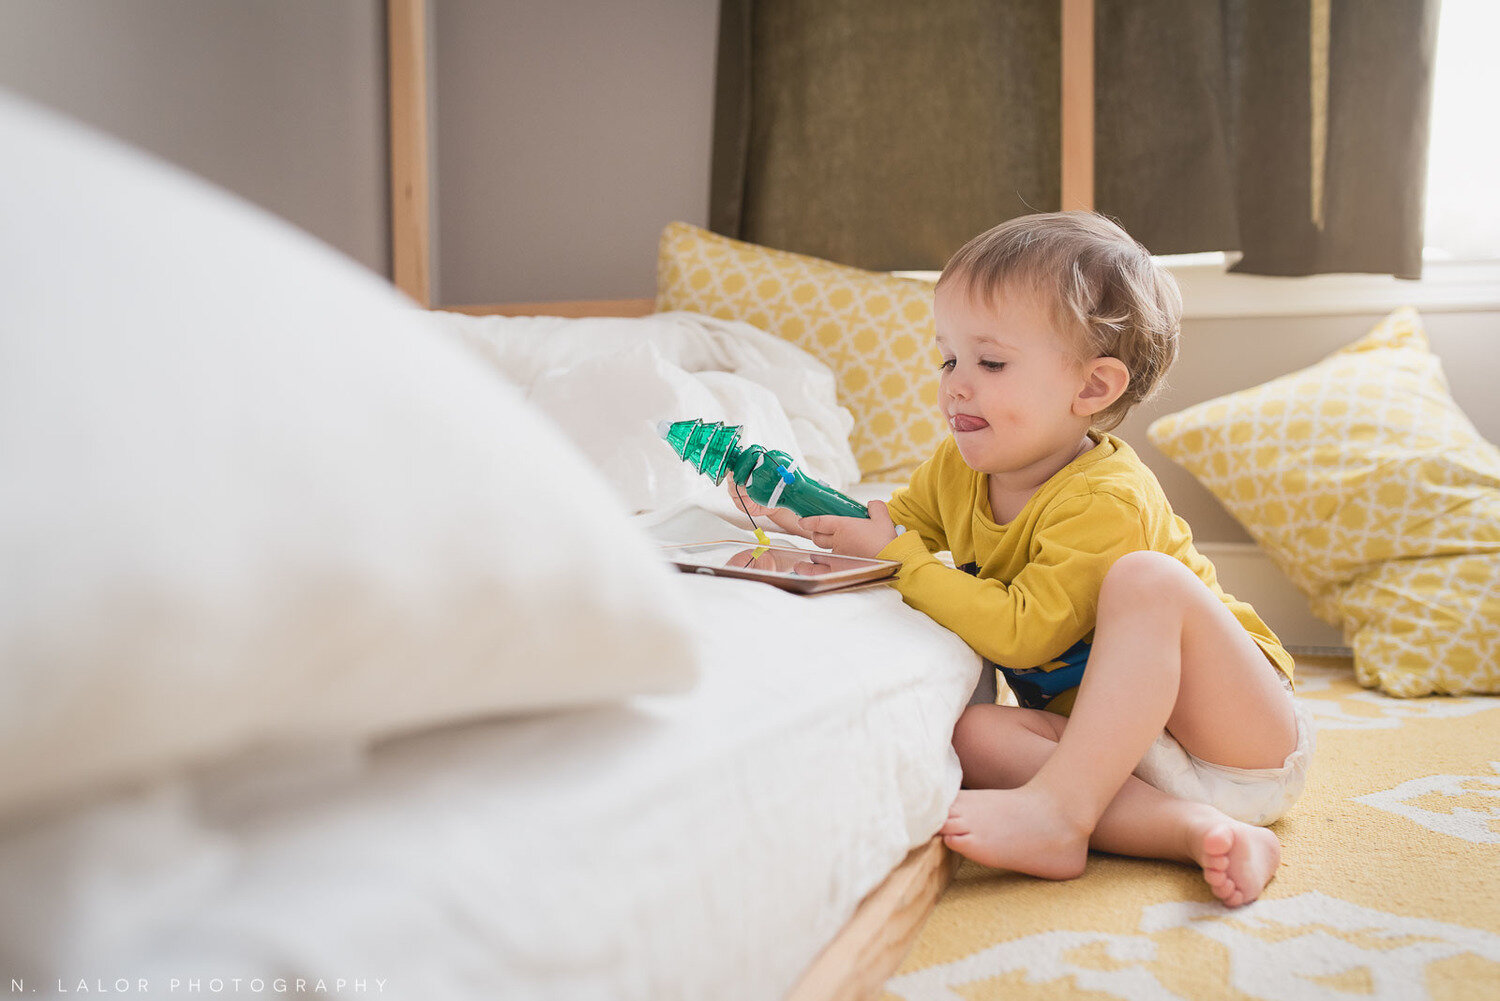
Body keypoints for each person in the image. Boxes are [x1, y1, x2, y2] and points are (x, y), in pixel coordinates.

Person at [732, 212, 1313, 908]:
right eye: (947, 358)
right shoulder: (956, 470)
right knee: (973, 734)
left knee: (1147, 580)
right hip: (1114, 757)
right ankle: (1197, 830)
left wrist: (904, 559)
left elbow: (1020, 633)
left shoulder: (1108, 497)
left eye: (991, 362)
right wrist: (795, 509)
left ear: (1092, 389)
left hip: (1238, 736)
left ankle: (1059, 812)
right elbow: (886, 529)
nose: (955, 384)